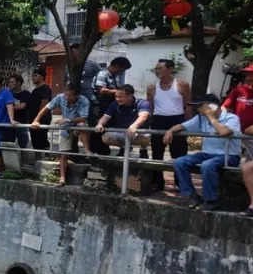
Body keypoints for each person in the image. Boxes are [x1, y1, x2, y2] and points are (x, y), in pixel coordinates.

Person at [164, 94, 242, 211]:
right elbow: (182, 126)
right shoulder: (201, 118)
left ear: (213, 107)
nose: (199, 110)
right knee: (180, 162)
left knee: (207, 165)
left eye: (202, 107)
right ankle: (192, 195)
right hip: (207, 154)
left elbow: (224, 132)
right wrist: (170, 130)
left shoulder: (231, 118)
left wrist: (212, 118)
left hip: (228, 155)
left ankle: (211, 200)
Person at [146, 58, 192, 192]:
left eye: (160, 68)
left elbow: (188, 106)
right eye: (156, 69)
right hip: (159, 120)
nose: (157, 71)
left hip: (177, 120)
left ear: (170, 69)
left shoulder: (182, 85)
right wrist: (149, 125)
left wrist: (186, 125)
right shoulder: (152, 88)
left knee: (179, 154)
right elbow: (150, 107)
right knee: (157, 153)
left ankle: (180, 182)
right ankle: (158, 182)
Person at [32, 84, 90, 186]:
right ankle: (62, 178)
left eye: (70, 96)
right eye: (66, 95)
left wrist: (67, 119)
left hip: (77, 123)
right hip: (65, 128)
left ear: (77, 95)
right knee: (63, 154)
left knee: (82, 125)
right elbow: (47, 108)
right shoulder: (60, 97)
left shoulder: (84, 100)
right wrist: (36, 120)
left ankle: (87, 150)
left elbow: (83, 118)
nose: (67, 97)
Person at [94, 84, 150, 155]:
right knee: (105, 138)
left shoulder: (142, 103)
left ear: (130, 96)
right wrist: (100, 124)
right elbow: (106, 116)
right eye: (116, 96)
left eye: (120, 97)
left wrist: (134, 126)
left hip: (137, 133)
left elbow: (143, 116)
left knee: (145, 138)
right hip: (121, 133)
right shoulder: (114, 104)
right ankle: (124, 148)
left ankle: (143, 150)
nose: (117, 99)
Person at [26, 68, 53, 152]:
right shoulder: (35, 90)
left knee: (41, 139)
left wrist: (38, 118)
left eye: (35, 76)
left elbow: (44, 104)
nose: (33, 78)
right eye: (32, 76)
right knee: (35, 140)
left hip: (41, 119)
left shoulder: (45, 89)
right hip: (33, 118)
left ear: (41, 77)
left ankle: (45, 158)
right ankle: (38, 159)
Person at [8, 74, 33, 153]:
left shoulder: (25, 93)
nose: (10, 84)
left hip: (22, 123)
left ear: (18, 83)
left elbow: (22, 106)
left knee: (23, 145)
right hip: (8, 123)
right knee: (9, 144)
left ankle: (24, 163)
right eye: (9, 82)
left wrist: (9, 109)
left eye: (12, 82)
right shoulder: (7, 93)